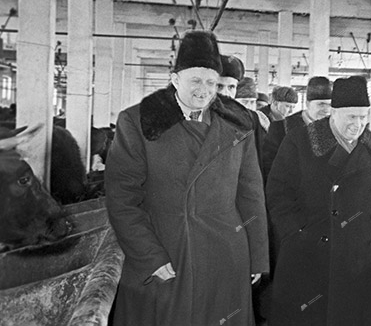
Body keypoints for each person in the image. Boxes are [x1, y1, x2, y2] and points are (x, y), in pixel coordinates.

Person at [105, 31, 269, 326]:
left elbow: (251, 193)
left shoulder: (239, 123)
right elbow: (122, 199)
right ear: (175, 78)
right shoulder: (138, 122)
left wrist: (257, 254)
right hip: (167, 252)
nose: (204, 90)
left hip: (226, 257)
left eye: (212, 82)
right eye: (195, 80)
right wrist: (150, 257)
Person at [266, 75, 371, 326]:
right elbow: (278, 194)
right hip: (310, 259)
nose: (358, 124)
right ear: (333, 112)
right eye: (351, 117)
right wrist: (298, 236)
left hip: (363, 264)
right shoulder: (300, 142)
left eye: (364, 117)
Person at [262, 76, 333, 183]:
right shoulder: (280, 129)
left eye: (330, 105)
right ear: (308, 104)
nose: (326, 110)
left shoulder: (335, 131)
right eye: (321, 104)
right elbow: (268, 170)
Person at [218, 54, 268, 170]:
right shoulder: (194, 117)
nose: (225, 93)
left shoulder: (252, 119)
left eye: (231, 87)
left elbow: (257, 162)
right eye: (219, 86)